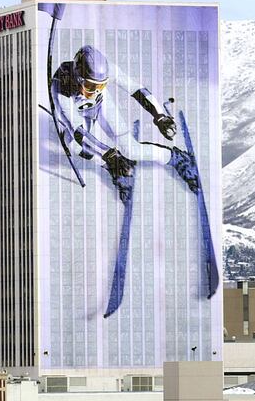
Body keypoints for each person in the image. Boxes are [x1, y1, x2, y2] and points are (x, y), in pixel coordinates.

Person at [49, 45, 199, 317]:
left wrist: (159, 115)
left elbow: (135, 89)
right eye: (92, 85)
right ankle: (118, 169)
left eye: (102, 84)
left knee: (130, 149)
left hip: (103, 110)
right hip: (78, 121)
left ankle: (176, 158)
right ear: (80, 79)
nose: (97, 88)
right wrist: (108, 156)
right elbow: (80, 132)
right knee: (72, 147)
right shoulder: (61, 87)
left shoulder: (102, 78)